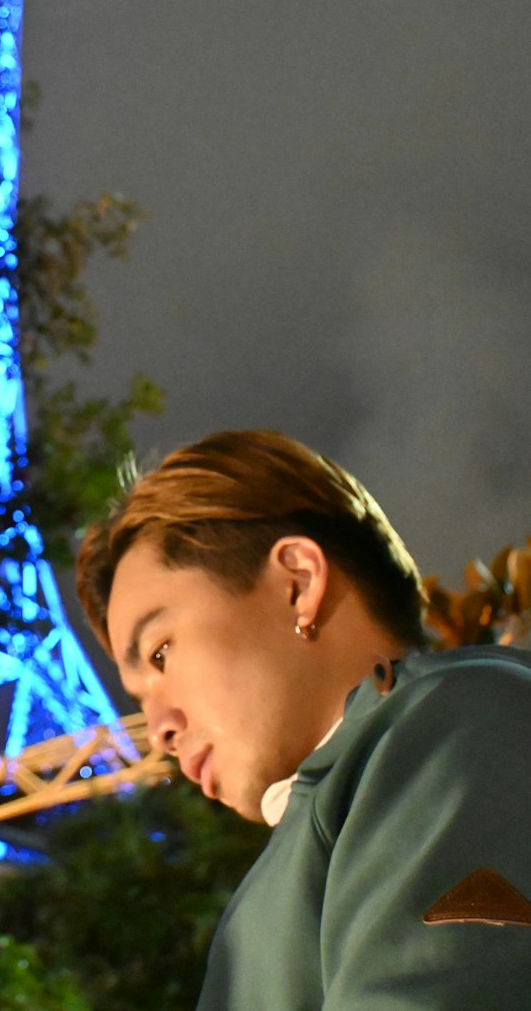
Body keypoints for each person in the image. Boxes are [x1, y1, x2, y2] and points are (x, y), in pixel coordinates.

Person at [75, 429, 531, 1009]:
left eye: (162, 652)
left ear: (298, 583)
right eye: (138, 697)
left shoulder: (461, 722)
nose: (159, 728)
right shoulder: (302, 853)